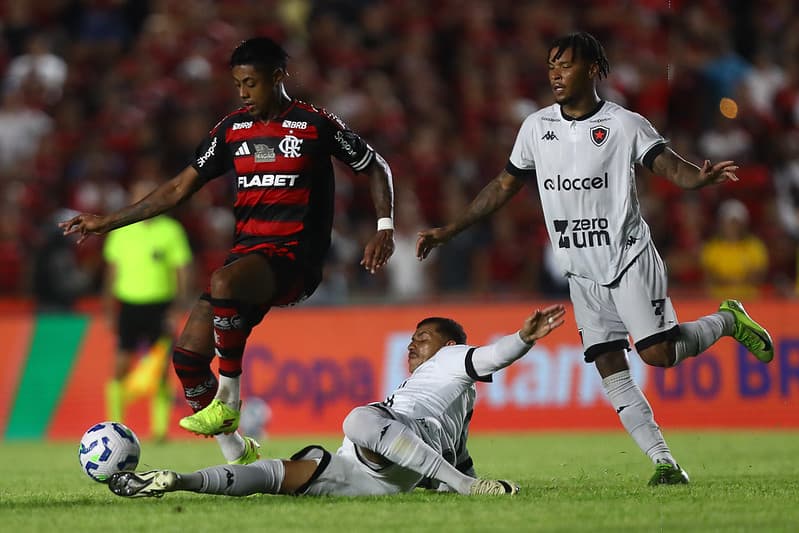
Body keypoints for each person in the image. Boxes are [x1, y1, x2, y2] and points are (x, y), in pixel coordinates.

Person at [416, 32, 775, 485]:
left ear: (592, 70)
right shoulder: (535, 127)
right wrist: (450, 229)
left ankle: (727, 319)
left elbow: (668, 166)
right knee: (609, 362)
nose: (555, 74)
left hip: (627, 257)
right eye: (551, 65)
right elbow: (503, 186)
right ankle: (665, 464)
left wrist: (697, 181)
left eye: (565, 64)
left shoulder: (625, 124)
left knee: (659, 355)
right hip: (579, 270)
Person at [60, 37, 396, 465]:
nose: (242, 92)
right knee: (186, 359)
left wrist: (384, 226)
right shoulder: (232, 130)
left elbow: (375, 165)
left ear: (278, 78)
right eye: (238, 83)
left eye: (251, 83)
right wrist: (108, 221)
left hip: (295, 261)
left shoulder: (314, 125)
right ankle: (238, 453)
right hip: (249, 260)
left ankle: (230, 398)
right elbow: (179, 188)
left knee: (222, 280)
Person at [107, 305, 567, 498]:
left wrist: (523, 338)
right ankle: (177, 480)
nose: (413, 346)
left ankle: (213, 452)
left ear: (448, 345)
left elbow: (493, 353)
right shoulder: (458, 402)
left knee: (357, 418)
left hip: (387, 438)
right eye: (411, 339)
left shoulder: (452, 359)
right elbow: (458, 455)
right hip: (372, 473)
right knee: (277, 476)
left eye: (422, 338)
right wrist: (458, 480)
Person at [102, 177, 193, 441]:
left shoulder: (171, 230)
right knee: (120, 365)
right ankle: (115, 426)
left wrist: (178, 305)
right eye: (138, 196)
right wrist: (109, 308)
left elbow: (183, 270)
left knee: (161, 369)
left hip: (160, 306)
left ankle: (160, 430)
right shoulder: (121, 231)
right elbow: (111, 272)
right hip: (129, 305)